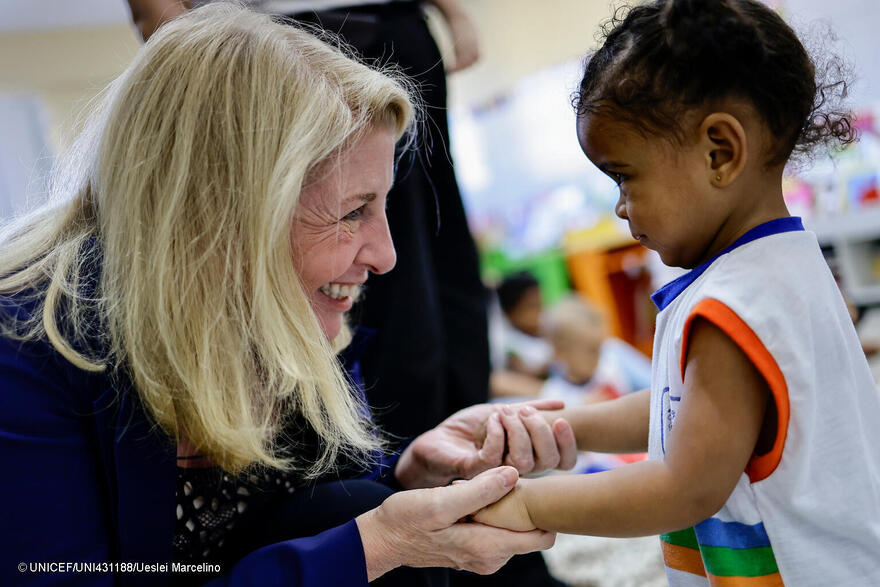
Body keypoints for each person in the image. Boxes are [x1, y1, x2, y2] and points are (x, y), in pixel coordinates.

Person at [0, 5, 581, 586]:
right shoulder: (25, 352)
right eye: (353, 212)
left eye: (382, 208)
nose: (386, 256)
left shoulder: (274, 307)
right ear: (223, 212)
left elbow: (316, 512)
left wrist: (409, 478)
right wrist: (377, 544)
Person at [472, 1, 880, 585]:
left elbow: (682, 489)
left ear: (720, 152)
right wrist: (570, 430)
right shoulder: (778, 265)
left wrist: (524, 507)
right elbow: (681, 407)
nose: (619, 207)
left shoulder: (735, 305)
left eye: (624, 177)